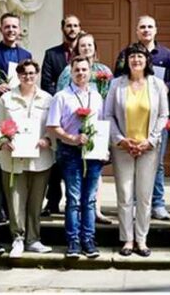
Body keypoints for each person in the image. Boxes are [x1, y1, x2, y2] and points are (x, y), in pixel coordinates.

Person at [114, 15, 170, 220]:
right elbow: (118, 76)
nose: (146, 30)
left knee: (157, 162)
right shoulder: (126, 53)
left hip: (154, 114)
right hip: (130, 115)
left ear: (156, 30)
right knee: (130, 164)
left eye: (150, 26)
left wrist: (159, 90)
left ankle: (158, 203)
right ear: (136, 31)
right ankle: (133, 202)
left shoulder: (167, 54)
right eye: (142, 27)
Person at [105, 43, 169, 257]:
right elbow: (108, 116)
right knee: (124, 194)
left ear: (146, 60)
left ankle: (141, 239)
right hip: (123, 148)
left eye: (140, 56)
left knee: (144, 195)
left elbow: (163, 115)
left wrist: (151, 140)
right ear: (127, 61)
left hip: (148, 148)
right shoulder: (116, 84)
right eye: (132, 57)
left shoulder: (157, 85)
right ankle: (127, 239)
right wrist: (121, 140)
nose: (136, 60)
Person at [0, 59, 54, 258]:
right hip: (12, 158)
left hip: (40, 159)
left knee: (36, 201)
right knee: (15, 200)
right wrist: (1, 141)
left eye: (31, 73)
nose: (28, 76)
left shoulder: (47, 99)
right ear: (18, 75)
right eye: (24, 73)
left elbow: (54, 126)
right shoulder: (7, 99)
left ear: (37, 75)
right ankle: (17, 239)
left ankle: (33, 239)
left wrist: (48, 139)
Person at [46, 56, 104, 258]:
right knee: (74, 198)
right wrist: (72, 138)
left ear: (90, 72)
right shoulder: (61, 96)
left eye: (84, 70)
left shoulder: (96, 96)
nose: (81, 73)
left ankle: (88, 239)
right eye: (77, 70)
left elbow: (102, 124)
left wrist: (102, 147)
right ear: (71, 72)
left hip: (93, 153)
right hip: (70, 152)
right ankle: (73, 241)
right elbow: (53, 126)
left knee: (89, 199)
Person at [56, 32, 113, 225]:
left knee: (94, 180)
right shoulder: (68, 72)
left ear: (95, 49)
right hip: (73, 132)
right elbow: (63, 97)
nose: (86, 48)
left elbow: (109, 98)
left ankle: (95, 210)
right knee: (75, 188)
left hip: (97, 129)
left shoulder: (104, 70)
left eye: (90, 45)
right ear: (77, 49)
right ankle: (75, 230)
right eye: (83, 46)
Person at [0, 12, 31, 255]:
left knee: (16, 178)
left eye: (14, 26)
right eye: (7, 26)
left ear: (20, 29)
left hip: (18, 123)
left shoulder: (26, 56)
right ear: (0, 28)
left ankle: (18, 231)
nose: (11, 30)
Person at [40, 14, 81, 217]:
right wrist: (60, 102)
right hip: (58, 111)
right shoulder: (52, 54)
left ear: (80, 28)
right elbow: (46, 82)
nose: (72, 29)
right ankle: (53, 201)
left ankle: (77, 202)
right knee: (55, 159)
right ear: (62, 28)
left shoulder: (85, 53)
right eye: (68, 25)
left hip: (80, 115)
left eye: (75, 26)